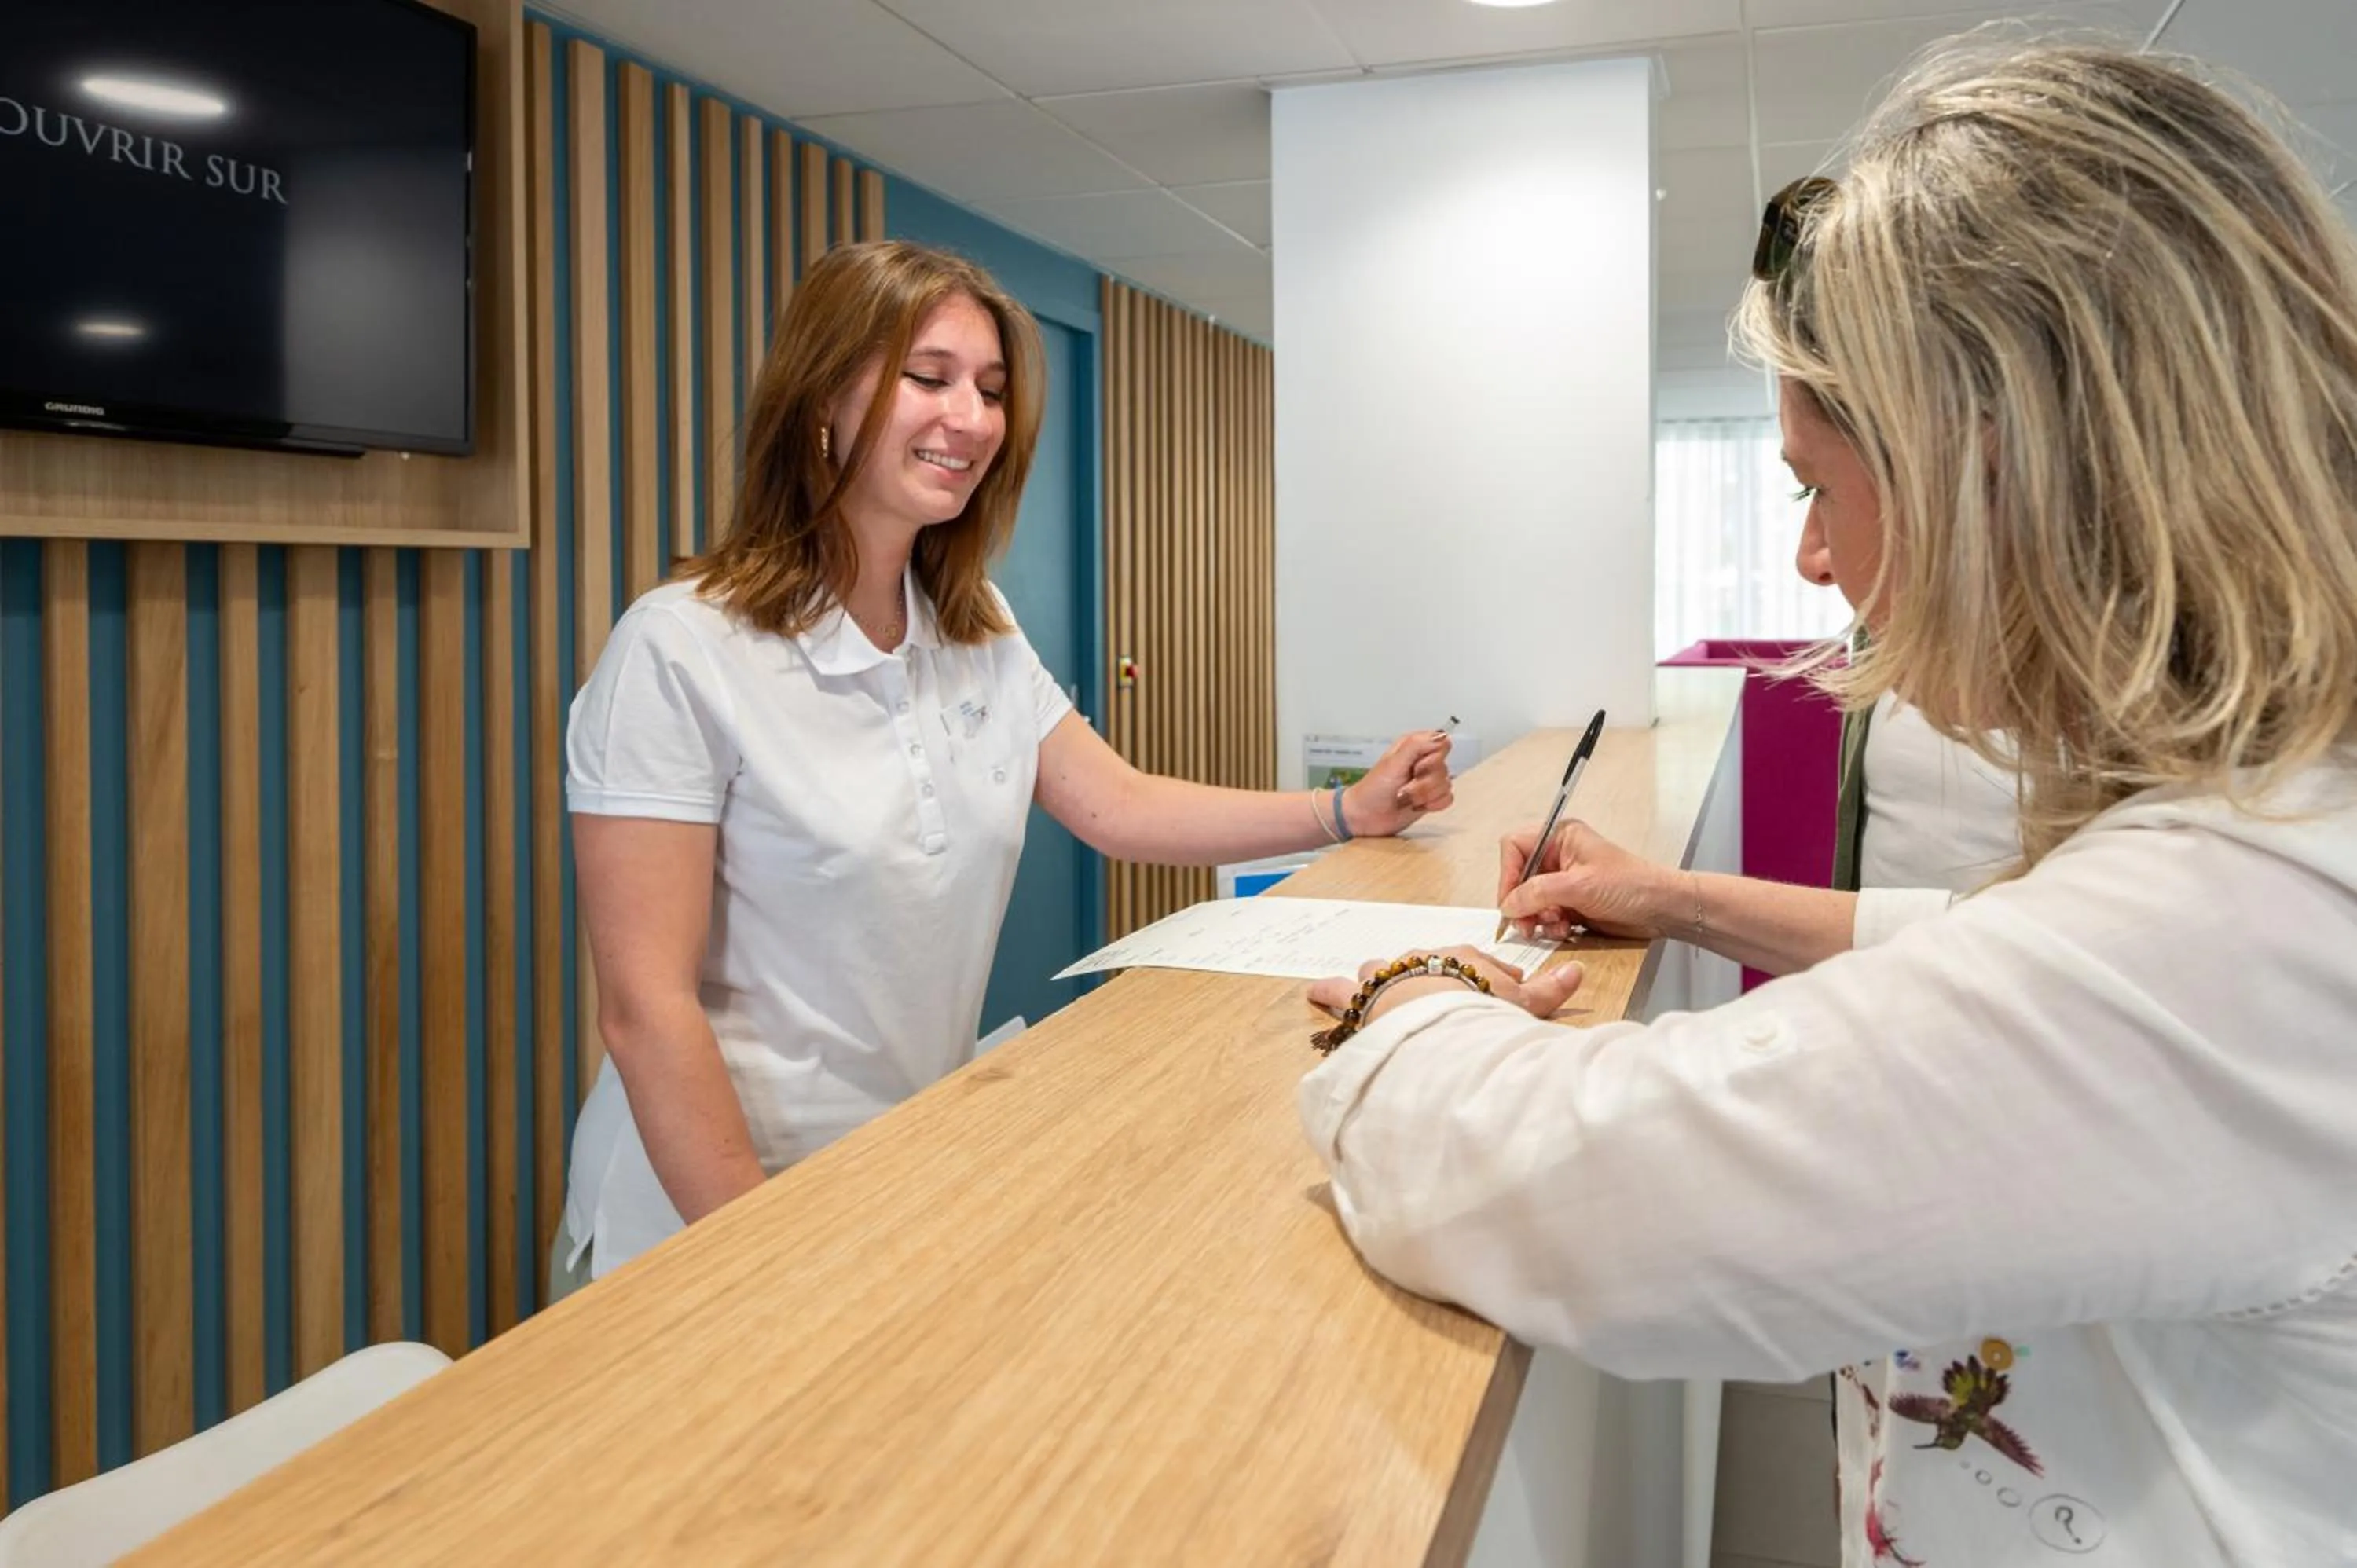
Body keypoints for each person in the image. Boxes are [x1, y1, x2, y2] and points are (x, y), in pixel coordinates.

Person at [1303, 38, 2357, 1566]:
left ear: (1995, 465)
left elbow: (1577, 1196)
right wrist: (1674, 900)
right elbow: (1995, 954)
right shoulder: (2266, 836)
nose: (1811, 559)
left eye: (1821, 482)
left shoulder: (2250, 920)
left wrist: (1406, 1000)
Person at [555, 240, 1452, 1291]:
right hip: (707, 1221)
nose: (971, 419)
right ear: (818, 404)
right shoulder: (682, 649)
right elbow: (644, 1006)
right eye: (927, 379)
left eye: (989, 390)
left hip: (894, 1174)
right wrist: (762, 1262)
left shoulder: (974, 630)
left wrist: (1346, 813)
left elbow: (1116, 805)